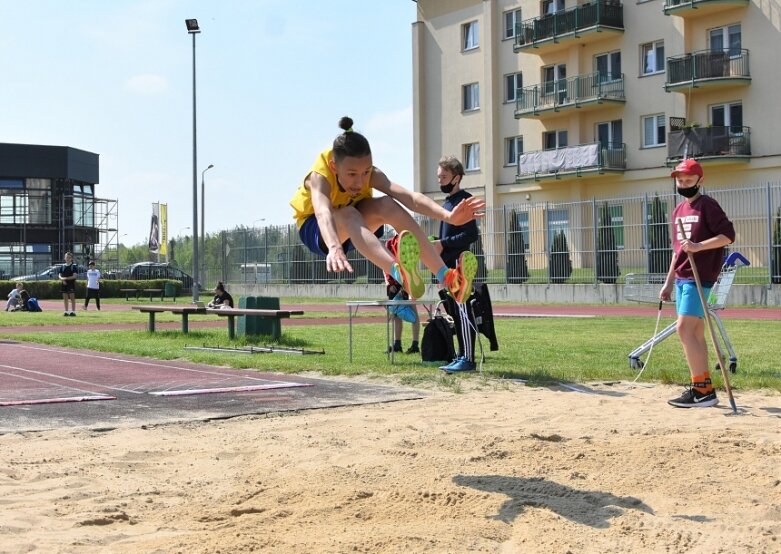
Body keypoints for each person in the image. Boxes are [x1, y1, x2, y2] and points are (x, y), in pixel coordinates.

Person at [290, 116, 483, 305]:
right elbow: (323, 212)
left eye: (365, 172)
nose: (360, 182)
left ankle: (448, 279)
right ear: (334, 167)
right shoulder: (319, 177)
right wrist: (333, 247)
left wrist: (448, 216)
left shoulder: (370, 174)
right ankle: (399, 273)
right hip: (319, 230)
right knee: (350, 214)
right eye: (351, 174)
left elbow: (410, 197)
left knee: (387, 204)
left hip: (357, 226)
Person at [660, 159, 736, 408]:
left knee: (684, 329)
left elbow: (728, 236)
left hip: (699, 275)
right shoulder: (678, 211)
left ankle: (700, 390)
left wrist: (699, 247)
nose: (683, 185)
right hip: (682, 276)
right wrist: (668, 282)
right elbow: (677, 252)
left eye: (688, 181)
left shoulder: (707, 206)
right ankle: (705, 388)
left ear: (700, 181)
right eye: (680, 181)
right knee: (695, 332)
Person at [431, 156, 480, 373]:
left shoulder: (464, 202)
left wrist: (444, 243)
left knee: (463, 311)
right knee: (454, 312)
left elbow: (471, 234)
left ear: (456, 178)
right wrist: (436, 242)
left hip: (461, 269)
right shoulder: (447, 204)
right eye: (439, 177)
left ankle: (468, 358)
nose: (440, 181)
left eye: (444, 177)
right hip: (446, 269)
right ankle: (460, 355)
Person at [384, 233, 421, 354]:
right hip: (393, 282)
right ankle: (397, 344)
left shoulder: (410, 241)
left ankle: (415, 345)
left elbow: (413, 264)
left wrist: (408, 283)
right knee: (395, 314)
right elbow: (384, 263)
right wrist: (388, 283)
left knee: (413, 311)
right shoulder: (389, 243)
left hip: (407, 280)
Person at [59, 252, 78, 316]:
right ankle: (66, 311)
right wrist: (62, 279)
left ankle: (73, 311)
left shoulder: (74, 266)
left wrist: (65, 279)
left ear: (71, 258)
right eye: (66, 257)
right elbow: (59, 275)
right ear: (65, 258)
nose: (68, 258)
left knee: (72, 298)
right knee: (65, 299)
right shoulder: (62, 266)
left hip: (71, 284)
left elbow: (74, 276)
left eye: (69, 257)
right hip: (64, 284)